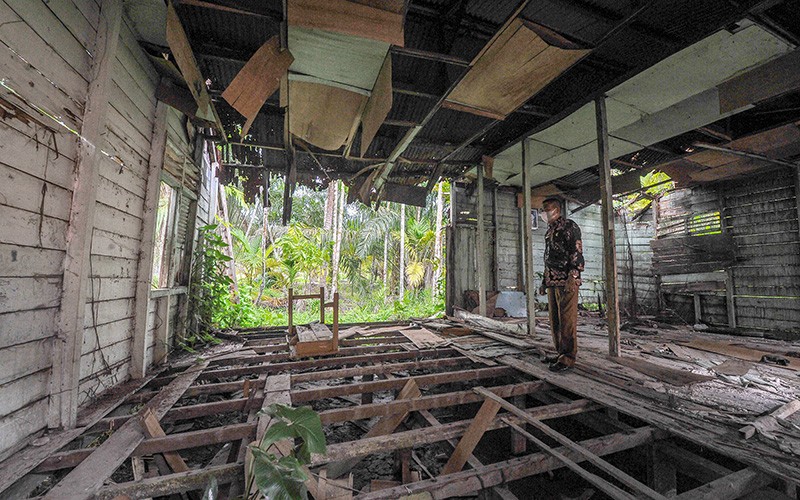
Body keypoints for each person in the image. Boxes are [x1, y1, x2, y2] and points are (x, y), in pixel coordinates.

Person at [537, 197, 584, 372]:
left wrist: (573, 275)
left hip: (566, 280)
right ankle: (560, 353)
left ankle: (568, 357)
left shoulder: (569, 227)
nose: (543, 213)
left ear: (556, 210)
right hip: (552, 281)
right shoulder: (549, 232)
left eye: (546, 209)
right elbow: (548, 258)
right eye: (542, 209)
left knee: (567, 320)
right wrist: (544, 281)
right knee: (555, 320)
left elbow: (577, 251)